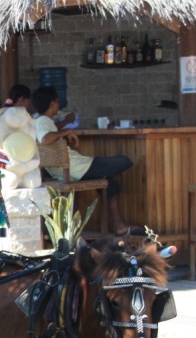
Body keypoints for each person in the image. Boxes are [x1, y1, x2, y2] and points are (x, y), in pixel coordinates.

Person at [30, 86, 137, 234]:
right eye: (57, 101)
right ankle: (118, 225)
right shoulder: (43, 122)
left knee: (110, 184)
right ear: (53, 104)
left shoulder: (38, 121)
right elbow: (46, 138)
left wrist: (65, 123)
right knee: (124, 160)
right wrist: (67, 131)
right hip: (79, 168)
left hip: (65, 172)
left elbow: (50, 130)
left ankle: (120, 226)